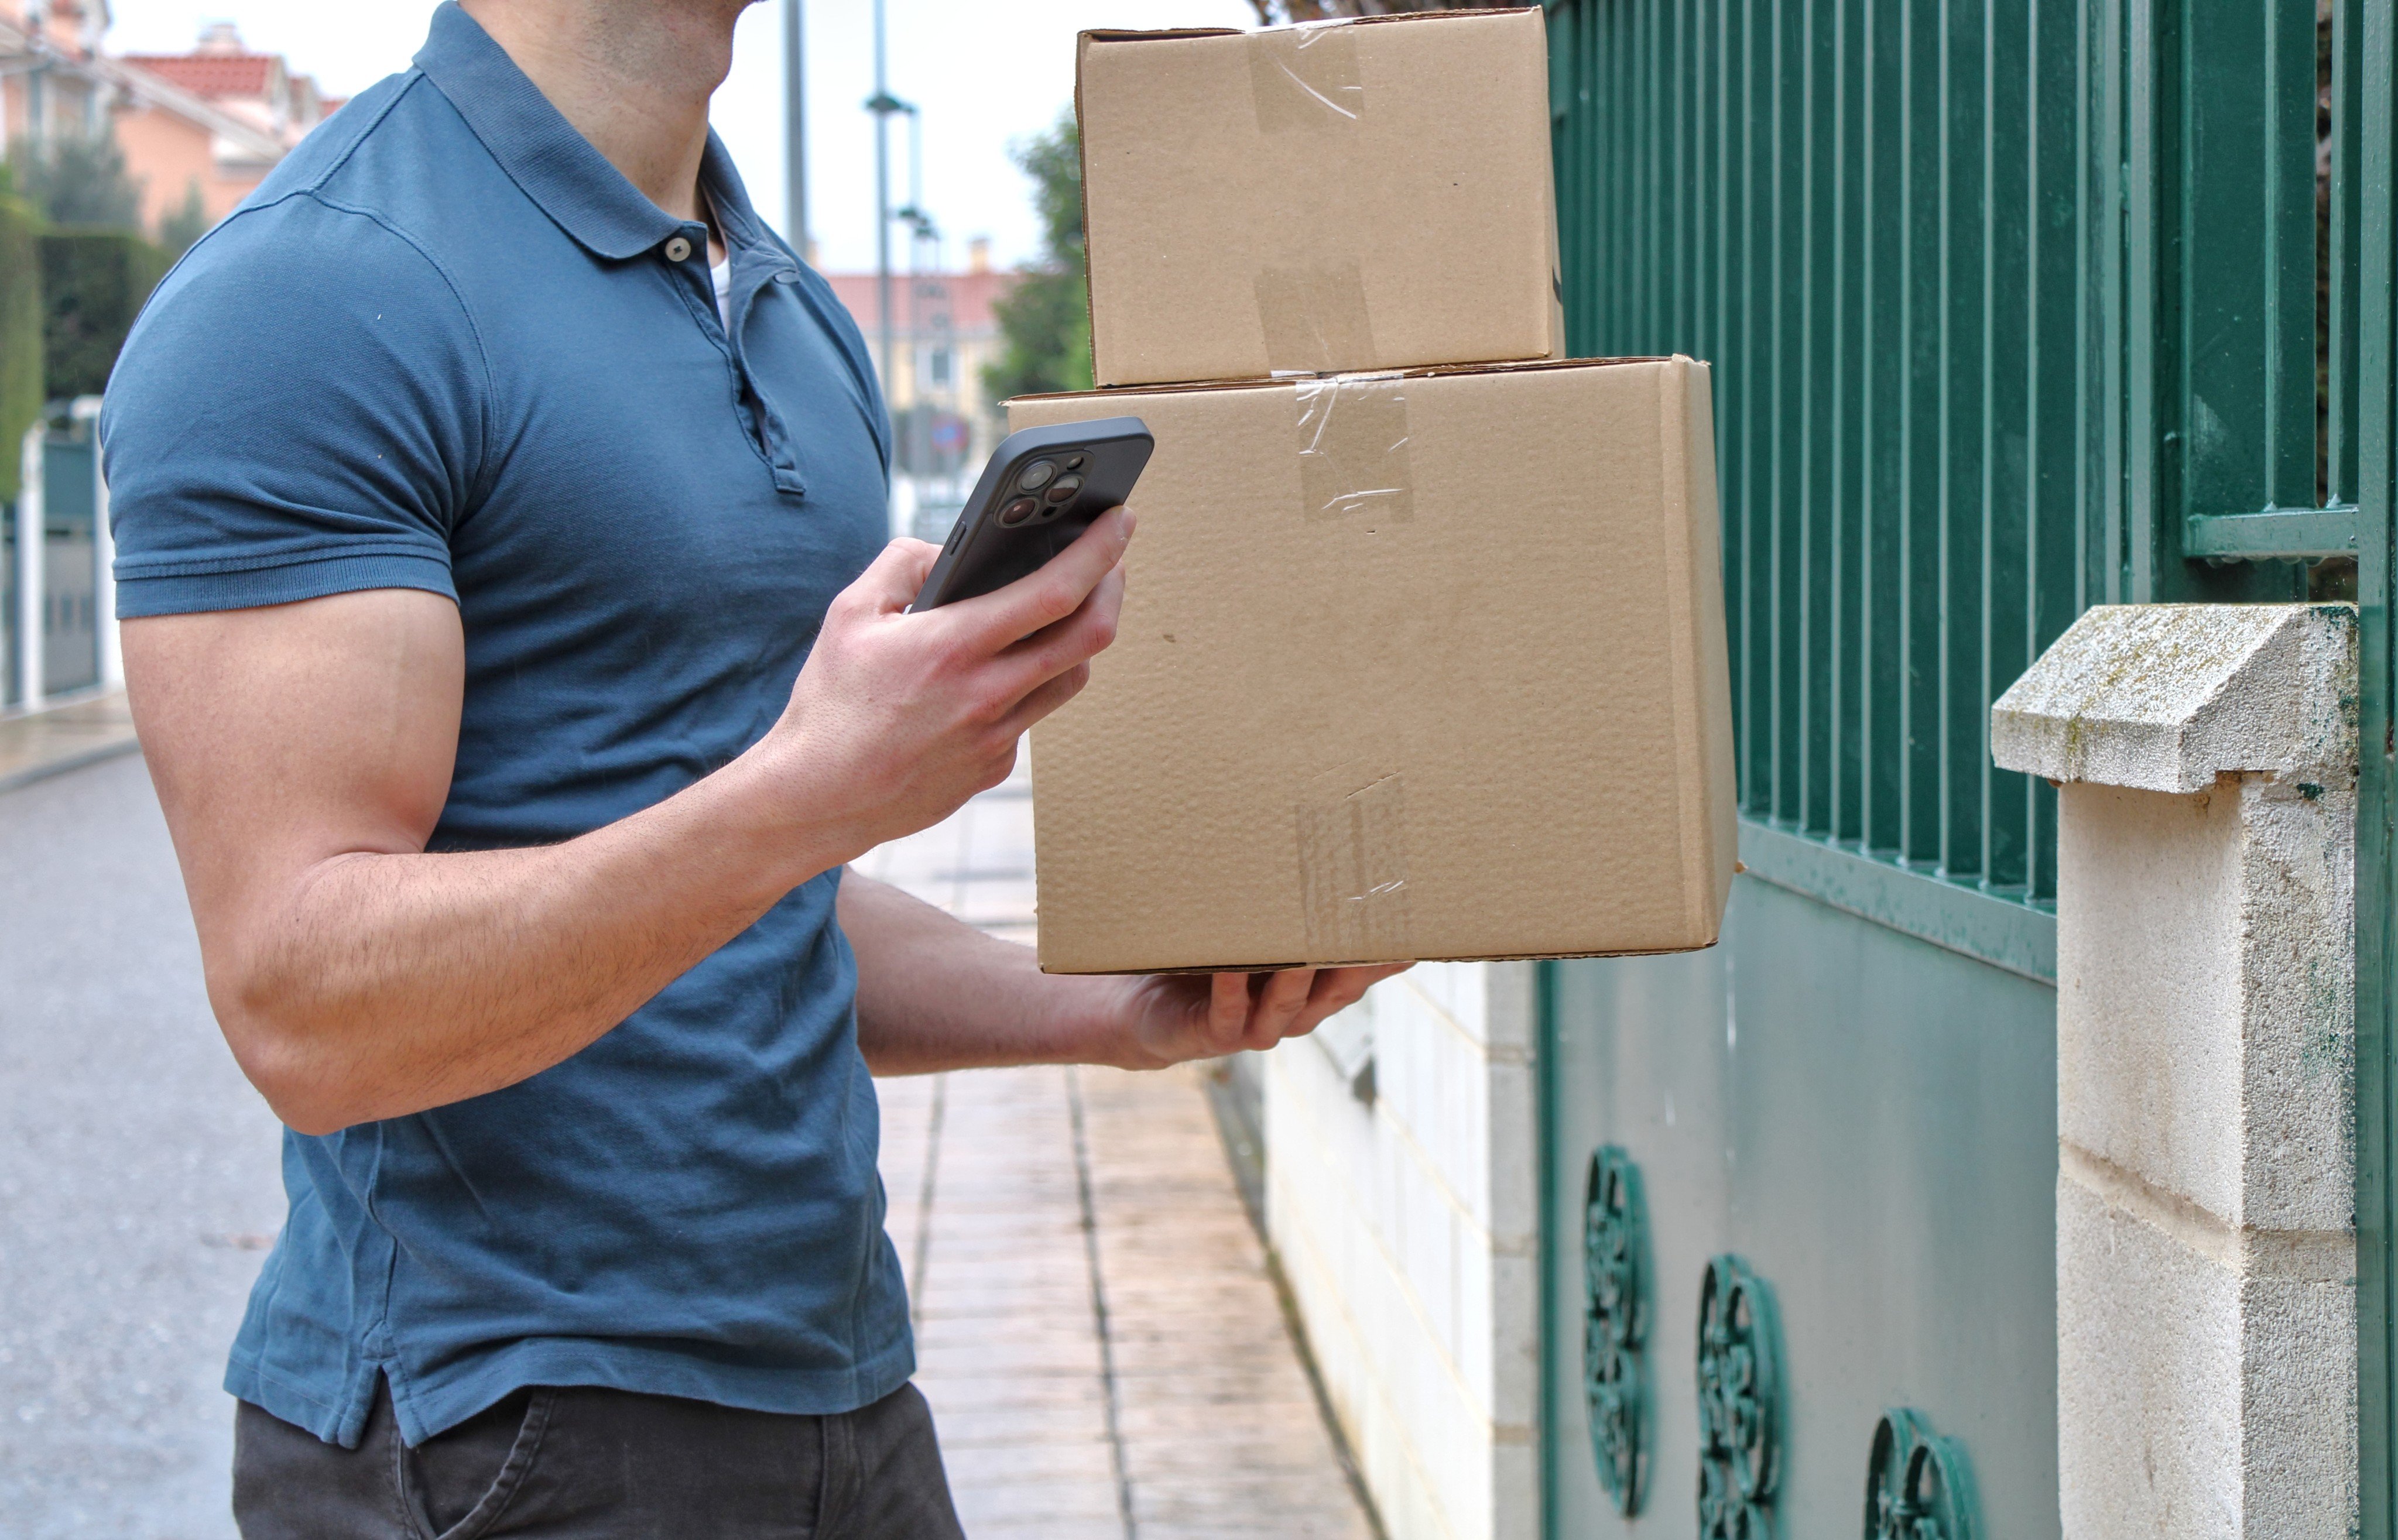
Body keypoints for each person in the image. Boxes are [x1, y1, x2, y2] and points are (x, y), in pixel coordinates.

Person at [101, 2, 1406, 1534]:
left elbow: (748, 894)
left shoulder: (772, 297)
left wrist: (1120, 1017)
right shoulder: (312, 298)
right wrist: (815, 785)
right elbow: (304, 1006)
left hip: (841, 1393)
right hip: (502, 1427)